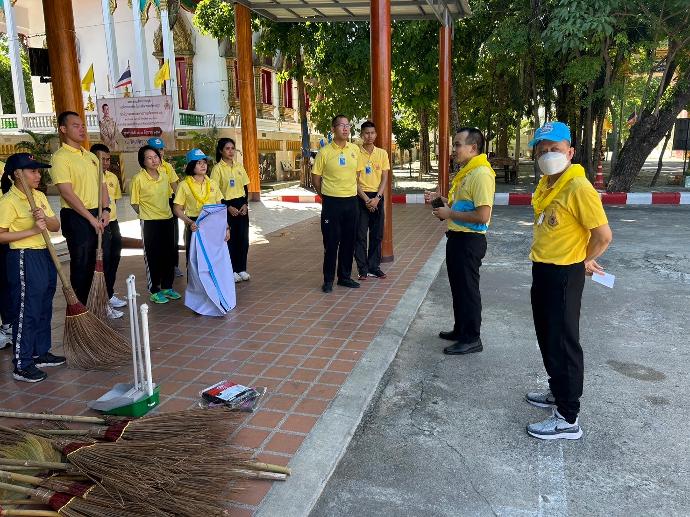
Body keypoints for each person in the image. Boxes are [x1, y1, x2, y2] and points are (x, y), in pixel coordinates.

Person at [525, 121, 612, 440]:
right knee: (548, 336)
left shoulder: (578, 187)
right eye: (542, 150)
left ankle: (567, 417)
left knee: (563, 342)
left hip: (564, 273)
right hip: (544, 269)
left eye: (555, 149)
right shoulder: (548, 184)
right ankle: (557, 391)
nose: (548, 154)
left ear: (570, 152)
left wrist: (584, 259)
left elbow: (603, 235)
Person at [427, 127, 496, 355]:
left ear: (473, 147)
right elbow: (462, 204)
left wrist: (450, 214)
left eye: (458, 144)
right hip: (457, 237)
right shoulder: (468, 171)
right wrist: (441, 201)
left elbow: (482, 215)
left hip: (470, 240)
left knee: (467, 290)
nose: (454, 149)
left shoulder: (481, 174)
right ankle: (461, 329)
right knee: (458, 288)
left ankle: (472, 338)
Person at [0, 153, 64, 382]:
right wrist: (33, 230)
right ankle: (22, 363)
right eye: (33, 171)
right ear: (17, 174)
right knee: (28, 308)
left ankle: (40, 352)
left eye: (38, 171)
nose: (38, 175)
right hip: (23, 256)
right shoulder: (8, 201)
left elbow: (55, 226)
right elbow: (1, 235)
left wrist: (44, 218)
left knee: (45, 304)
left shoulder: (39, 195)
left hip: (44, 253)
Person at [50, 111, 111, 306]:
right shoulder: (60, 157)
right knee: (82, 263)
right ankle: (81, 308)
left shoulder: (91, 156)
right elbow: (67, 193)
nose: (81, 129)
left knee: (101, 260)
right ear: (63, 129)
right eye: (75, 126)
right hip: (76, 216)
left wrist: (106, 210)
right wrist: (90, 218)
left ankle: (99, 304)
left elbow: (102, 186)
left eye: (83, 125)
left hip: (98, 214)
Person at [312, 114, 363, 293]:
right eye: (341, 125)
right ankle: (328, 280)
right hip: (331, 203)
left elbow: (357, 174)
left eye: (348, 125)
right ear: (333, 129)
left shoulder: (355, 149)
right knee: (331, 243)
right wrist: (326, 195)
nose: (345, 128)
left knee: (349, 241)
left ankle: (344, 277)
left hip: (351, 202)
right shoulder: (324, 152)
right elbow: (316, 178)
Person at [130, 145, 181, 305]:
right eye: (149, 158)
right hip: (149, 222)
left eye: (156, 157)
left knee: (169, 254)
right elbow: (134, 203)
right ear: (143, 161)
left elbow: (170, 196)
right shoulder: (138, 179)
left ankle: (167, 287)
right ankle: (154, 290)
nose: (154, 160)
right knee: (153, 256)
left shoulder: (165, 176)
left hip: (167, 219)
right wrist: (147, 214)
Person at [173, 148, 226, 264]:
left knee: (213, 259)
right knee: (195, 260)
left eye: (204, 162)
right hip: (194, 225)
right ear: (191, 165)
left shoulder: (213, 183)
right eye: (198, 163)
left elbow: (219, 207)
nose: (203, 165)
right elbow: (177, 209)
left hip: (213, 224)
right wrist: (189, 222)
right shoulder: (184, 185)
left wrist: (225, 227)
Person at [90, 144, 126, 312]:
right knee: (102, 262)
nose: (105, 163)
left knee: (114, 258)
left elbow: (114, 201)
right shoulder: (91, 176)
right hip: (99, 224)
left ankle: (109, 294)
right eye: (102, 159)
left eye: (107, 159)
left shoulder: (112, 177)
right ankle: (101, 300)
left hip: (113, 222)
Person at [210, 138, 250, 283]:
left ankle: (241, 268)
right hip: (225, 206)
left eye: (232, 148)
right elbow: (215, 192)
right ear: (221, 151)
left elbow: (245, 187)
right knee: (229, 240)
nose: (231, 151)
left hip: (241, 205)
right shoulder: (217, 169)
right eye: (227, 148)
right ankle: (231, 270)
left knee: (243, 239)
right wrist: (227, 207)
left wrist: (245, 204)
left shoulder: (239, 166)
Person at [354, 121, 389, 281]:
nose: (369, 136)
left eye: (372, 133)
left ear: (376, 134)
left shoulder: (382, 153)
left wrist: (377, 198)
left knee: (377, 234)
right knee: (360, 235)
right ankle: (362, 269)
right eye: (366, 133)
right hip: (361, 197)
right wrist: (367, 199)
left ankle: (374, 267)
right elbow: (354, 180)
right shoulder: (356, 153)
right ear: (362, 135)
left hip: (377, 196)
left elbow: (384, 178)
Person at [147, 137, 182, 278]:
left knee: (172, 236)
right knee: (155, 238)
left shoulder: (168, 167)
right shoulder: (145, 170)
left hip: (169, 202)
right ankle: (157, 268)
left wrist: (180, 203)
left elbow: (175, 186)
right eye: (156, 150)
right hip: (152, 206)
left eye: (161, 149)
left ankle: (173, 265)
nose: (159, 152)